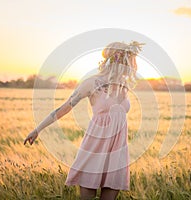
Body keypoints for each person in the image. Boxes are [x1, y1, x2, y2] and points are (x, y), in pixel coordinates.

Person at [24, 41, 143, 200]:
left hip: (117, 152)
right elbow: (64, 108)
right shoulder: (91, 83)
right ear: (119, 62)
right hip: (94, 149)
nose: (132, 68)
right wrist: (37, 129)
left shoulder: (123, 86)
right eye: (130, 63)